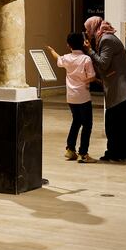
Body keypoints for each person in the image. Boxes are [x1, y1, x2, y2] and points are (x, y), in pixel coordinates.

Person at [84, 16, 126, 163]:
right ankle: (118, 153)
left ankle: (117, 154)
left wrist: (89, 51)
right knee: (118, 122)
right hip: (121, 87)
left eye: (87, 28)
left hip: (122, 88)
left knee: (115, 122)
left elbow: (103, 64)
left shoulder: (106, 40)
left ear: (93, 27)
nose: (86, 32)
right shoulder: (105, 38)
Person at [46, 32, 97, 163]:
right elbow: (91, 76)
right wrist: (92, 80)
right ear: (83, 43)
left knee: (76, 121)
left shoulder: (67, 58)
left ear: (69, 45)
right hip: (83, 96)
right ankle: (83, 154)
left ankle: (70, 149)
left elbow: (58, 59)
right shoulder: (86, 59)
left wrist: (52, 51)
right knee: (87, 124)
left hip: (71, 97)